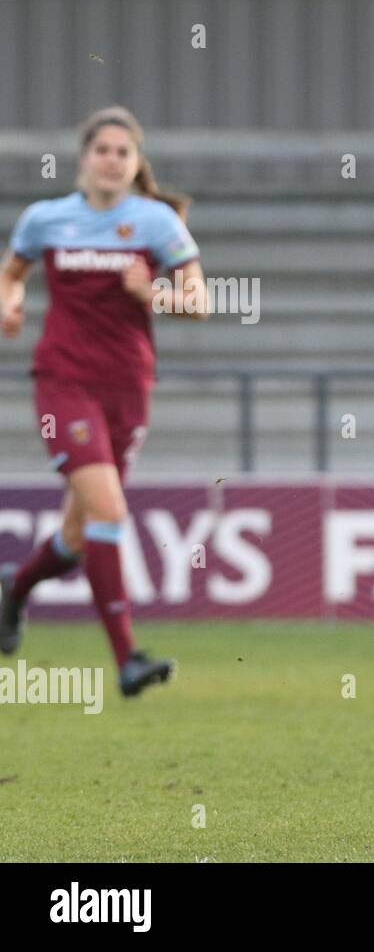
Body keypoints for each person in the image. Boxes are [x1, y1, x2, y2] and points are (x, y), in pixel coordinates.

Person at [0, 106, 209, 696]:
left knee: (78, 533)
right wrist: (9, 304)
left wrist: (157, 292)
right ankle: (127, 658)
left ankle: (14, 591)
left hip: (128, 388)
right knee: (111, 513)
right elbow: (11, 273)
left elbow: (200, 301)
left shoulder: (156, 223)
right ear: (83, 159)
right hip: (63, 383)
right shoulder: (46, 219)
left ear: (135, 162)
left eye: (123, 152)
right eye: (103, 150)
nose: (112, 160)